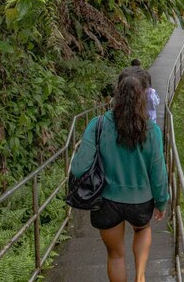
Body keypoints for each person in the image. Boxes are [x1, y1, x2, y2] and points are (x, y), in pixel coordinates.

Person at [70, 75, 169, 282]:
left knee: (115, 256)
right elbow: (158, 172)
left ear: (116, 97)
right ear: (142, 98)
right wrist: (161, 201)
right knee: (142, 229)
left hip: (106, 202)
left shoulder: (98, 125)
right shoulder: (152, 131)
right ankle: (140, 276)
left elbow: (79, 168)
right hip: (141, 201)